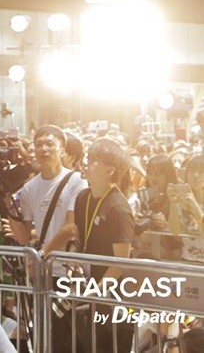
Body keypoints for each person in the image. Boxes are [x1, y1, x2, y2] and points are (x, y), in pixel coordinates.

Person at [6, 124, 86, 353]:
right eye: (39, 144)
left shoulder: (77, 181)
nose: (44, 149)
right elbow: (23, 235)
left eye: (50, 144)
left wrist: (40, 254)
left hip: (69, 272)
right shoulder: (29, 188)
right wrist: (6, 202)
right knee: (46, 338)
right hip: (43, 275)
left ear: (62, 149)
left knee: (72, 339)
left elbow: (71, 227)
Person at [70, 137, 135, 353]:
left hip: (116, 296)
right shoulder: (82, 197)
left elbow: (121, 262)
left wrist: (96, 291)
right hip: (90, 293)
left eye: (93, 160)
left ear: (110, 170)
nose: (86, 163)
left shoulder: (118, 208)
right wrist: (73, 257)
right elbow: (77, 235)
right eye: (88, 157)